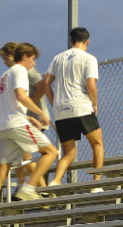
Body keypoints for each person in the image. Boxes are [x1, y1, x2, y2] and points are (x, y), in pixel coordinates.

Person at [0, 43, 58, 227]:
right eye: (33, 59)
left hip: (2, 127)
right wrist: (40, 112)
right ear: (25, 56)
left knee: (1, 173)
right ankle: (29, 187)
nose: (33, 64)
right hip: (15, 124)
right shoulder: (19, 71)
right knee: (51, 151)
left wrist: (29, 117)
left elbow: (12, 103)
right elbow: (21, 96)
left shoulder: (5, 75)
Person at [44, 27, 105, 191]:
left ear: (71, 41)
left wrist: (54, 102)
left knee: (69, 153)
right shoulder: (89, 58)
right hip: (81, 107)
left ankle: (55, 181)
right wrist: (95, 103)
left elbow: (46, 83)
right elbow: (91, 85)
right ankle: (96, 184)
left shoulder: (58, 58)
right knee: (97, 144)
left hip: (61, 110)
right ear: (88, 41)